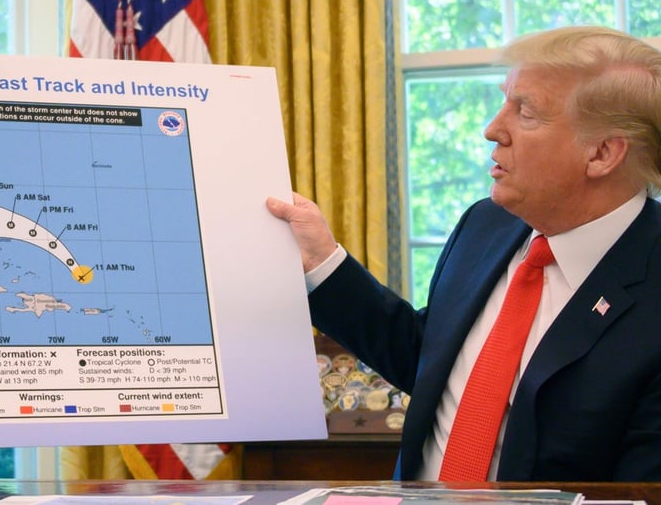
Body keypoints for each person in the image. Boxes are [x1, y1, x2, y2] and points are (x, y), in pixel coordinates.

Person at [267, 25, 661, 482]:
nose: (492, 128)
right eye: (504, 100)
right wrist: (323, 262)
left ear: (602, 153)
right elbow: (429, 358)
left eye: (525, 111)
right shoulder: (486, 225)